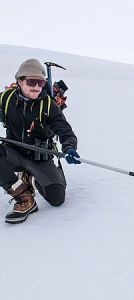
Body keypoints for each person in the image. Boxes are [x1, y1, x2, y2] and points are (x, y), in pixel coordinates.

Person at [0, 58, 80, 224]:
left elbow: (65, 130)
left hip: (40, 156)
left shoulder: (49, 105)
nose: (36, 86)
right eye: (31, 81)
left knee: (56, 199)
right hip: (13, 152)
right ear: (20, 81)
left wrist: (69, 147)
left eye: (40, 82)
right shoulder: (6, 99)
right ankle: (24, 197)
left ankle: (33, 176)